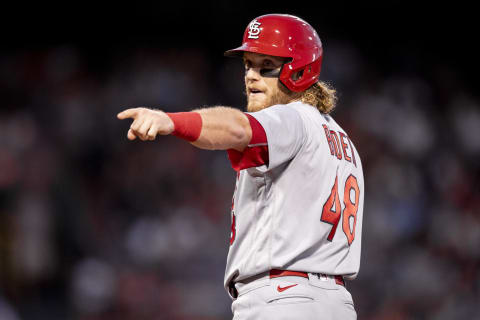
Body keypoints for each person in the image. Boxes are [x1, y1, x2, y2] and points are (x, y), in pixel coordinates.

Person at [117, 14, 364, 320]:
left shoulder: (293, 118)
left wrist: (171, 121)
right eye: (248, 64)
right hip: (333, 304)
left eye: (266, 66)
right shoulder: (342, 142)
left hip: (283, 299)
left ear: (300, 70)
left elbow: (238, 129)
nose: (251, 75)